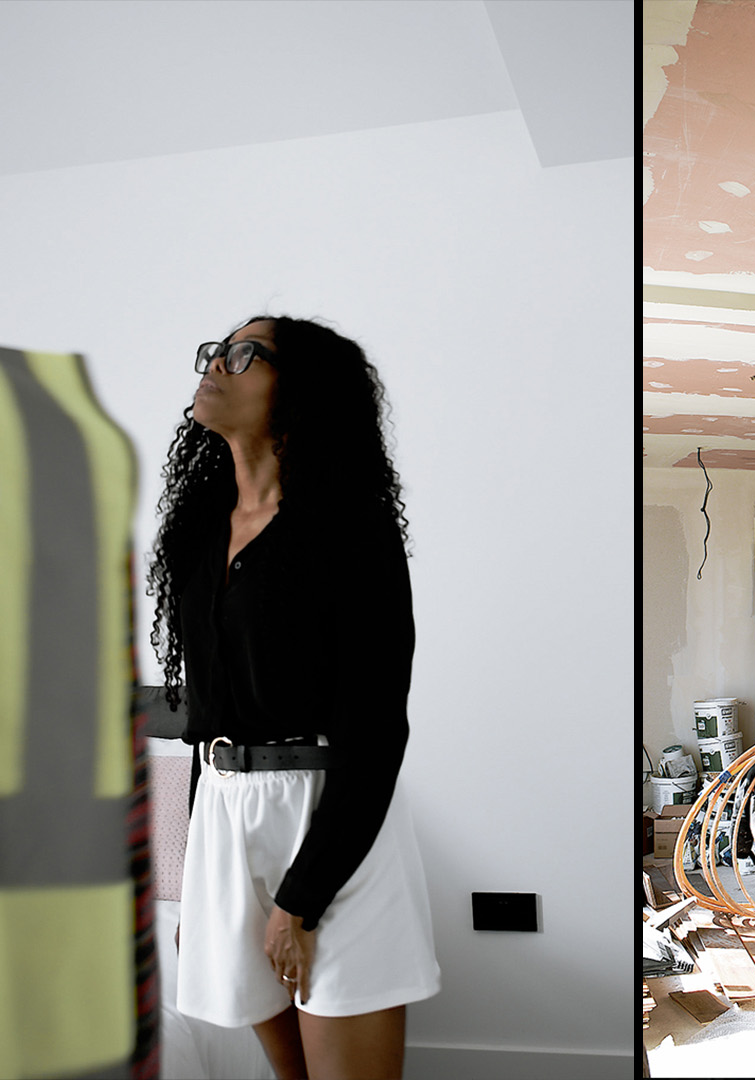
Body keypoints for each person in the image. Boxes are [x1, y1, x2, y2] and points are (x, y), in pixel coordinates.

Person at [160, 316, 440, 1078]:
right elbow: (203, 725)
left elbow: (377, 729)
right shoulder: (198, 534)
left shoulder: (350, 531)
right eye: (216, 349)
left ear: (301, 391)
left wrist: (301, 898)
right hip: (224, 811)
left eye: (246, 353)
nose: (219, 362)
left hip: (329, 823)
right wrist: (194, 883)